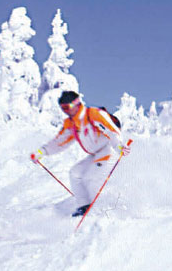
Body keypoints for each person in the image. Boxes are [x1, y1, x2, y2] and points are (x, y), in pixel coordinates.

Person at [31, 90, 125, 218]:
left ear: (76, 103)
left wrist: (118, 146)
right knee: (75, 173)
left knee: (89, 177)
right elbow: (60, 142)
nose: (65, 110)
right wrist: (42, 151)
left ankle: (104, 208)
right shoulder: (71, 124)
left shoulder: (93, 114)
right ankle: (85, 206)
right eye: (62, 108)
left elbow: (112, 130)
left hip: (108, 149)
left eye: (67, 107)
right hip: (95, 154)